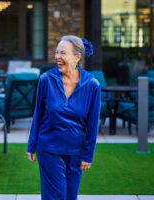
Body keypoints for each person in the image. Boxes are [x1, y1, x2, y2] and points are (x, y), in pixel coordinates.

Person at [27, 35, 101, 200]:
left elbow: (93, 124)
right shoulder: (46, 80)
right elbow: (37, 114)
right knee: (56, 196)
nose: (57, 57)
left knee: (70, 197)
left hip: (76, 150)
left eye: (63, 53)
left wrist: (88, 155)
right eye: (57, 53)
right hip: (49, 148)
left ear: (77, 57)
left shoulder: (92, 85)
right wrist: (31, 145)